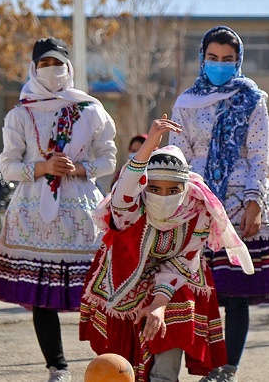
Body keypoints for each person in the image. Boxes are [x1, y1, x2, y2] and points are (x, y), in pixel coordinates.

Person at [79, 116, 254, 382]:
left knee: (176, 309)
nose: (163, 196)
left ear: (185, 188)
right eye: (155, 188)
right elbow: (125, 188)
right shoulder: (131, 208)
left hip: (177, 274)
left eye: (173, 189)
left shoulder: (198, 212)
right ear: (144, 187)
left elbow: (183, 263)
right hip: (124, 276)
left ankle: (165, 378)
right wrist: (150, 143)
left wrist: (159, 305)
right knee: (122, 352)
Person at [0, 37, 116, 382]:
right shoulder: (21, 113)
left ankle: (111, 362)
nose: (52, 70)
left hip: (80, 217)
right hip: (33, 218)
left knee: (97, 291)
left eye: (57, 63)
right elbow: (9, 166)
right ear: (33, 68)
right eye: (44, 63)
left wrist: (78, 168)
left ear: (69, 67)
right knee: (42, 295)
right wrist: (43, 168)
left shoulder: (91, 111)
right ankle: (57, 366)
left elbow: (109, 159)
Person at [171, 25, 269, 382]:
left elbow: (258, 154)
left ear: (238, 62)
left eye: (227, 60)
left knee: (235, 294)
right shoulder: (185, 102)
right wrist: (191, 197)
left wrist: (254, 202)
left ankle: (228, 368)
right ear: (202, 59)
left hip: (241, 205)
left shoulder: (252, 98)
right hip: (197, 203)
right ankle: (203, 363)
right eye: (213, 58)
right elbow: (180, 153)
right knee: (199, 291)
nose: (219, 65)